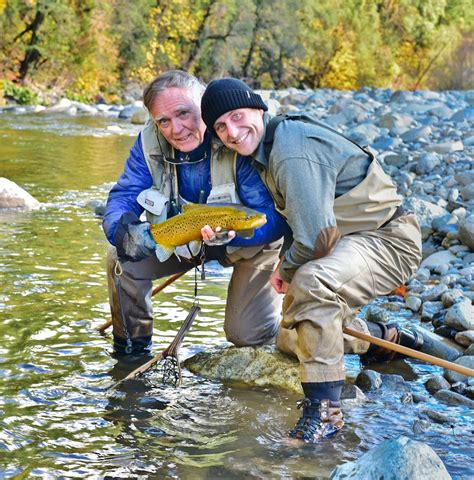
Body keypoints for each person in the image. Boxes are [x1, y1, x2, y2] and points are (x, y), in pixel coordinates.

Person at [200, 78, 423, 443]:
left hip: (388, 239)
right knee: (290, 336)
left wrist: (286, 269)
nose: (232, 132)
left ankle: (325, 414)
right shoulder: (265, 150)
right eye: (221, 127)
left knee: (311, 283)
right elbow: (297, 219)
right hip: (347, 241)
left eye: (238, 117)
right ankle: (383, 340)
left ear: (259, 109)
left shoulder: (289, 149)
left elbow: (314, 237)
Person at [102, 70, 291, 355]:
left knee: (247, 334)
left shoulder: (236, 136)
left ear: (203, 105)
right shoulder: (148, 144)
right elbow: (124, 196)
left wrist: (232, 235)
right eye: (164, 121)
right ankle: (131, 352)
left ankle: (341, 335)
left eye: (183, 113)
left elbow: (273, 216)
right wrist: (122, 230)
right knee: (120, 259)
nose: (176, 129)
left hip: (248, 245)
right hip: (183, 238)